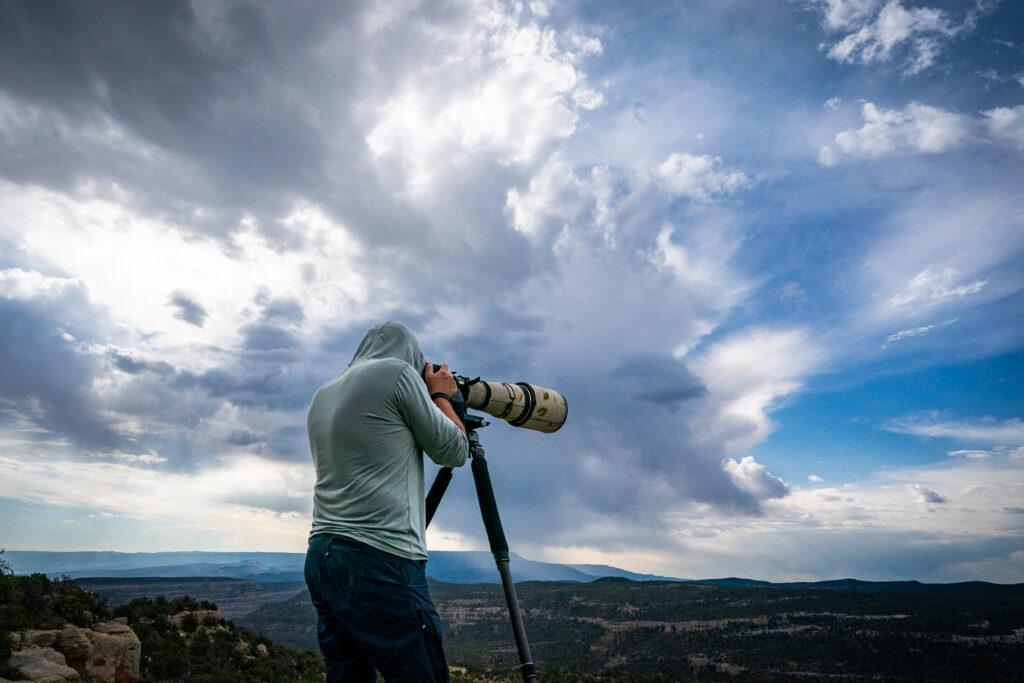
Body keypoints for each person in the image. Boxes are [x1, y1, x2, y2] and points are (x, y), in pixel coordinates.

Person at [304, 321, 469, 682]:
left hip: (323, 556)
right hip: (381, 558)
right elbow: (455, 449)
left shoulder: (323, 394)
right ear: (413, 359)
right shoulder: (396, 375)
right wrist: (440, 395)